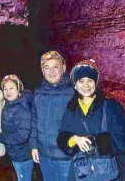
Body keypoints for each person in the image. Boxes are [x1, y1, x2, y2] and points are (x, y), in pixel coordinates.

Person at [57, 59, 125, 181]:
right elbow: (62, 136)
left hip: (110, 172)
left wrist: (94, 142)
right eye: (81, 81)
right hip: (83, 171)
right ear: (75, 85)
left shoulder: (112, 107)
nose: (86, 85)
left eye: (90, 80)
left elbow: (124, 140)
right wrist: (74, 139)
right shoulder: (71, 109)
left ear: (96, 83)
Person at [30, 51, 74, 181]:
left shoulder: (73, 91)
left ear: (64, 67)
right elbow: (34, 120)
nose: (51, 71)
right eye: (46, 67)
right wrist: (33, 146)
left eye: (55, 66)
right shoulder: (38, 92)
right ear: (42, 71)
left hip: (66, 157)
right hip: (44, 155)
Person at [0, 74, 33, 181]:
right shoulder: (10, 104)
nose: (8, 91)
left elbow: (22, 136)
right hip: (16, 153)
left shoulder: (22, 109)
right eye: (5, 89)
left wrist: (0, 137)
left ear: (19, 89)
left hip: (23, 155)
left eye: (11, 88)